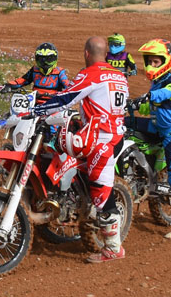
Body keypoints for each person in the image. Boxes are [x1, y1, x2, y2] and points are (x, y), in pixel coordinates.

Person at [31, 37, 130, 263]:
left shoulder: (90, 74)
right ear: (105, 53)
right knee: (67, 162)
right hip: (106, 134)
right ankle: (73, 205)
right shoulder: (119, 75)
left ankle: (114, 248)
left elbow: (66, 98)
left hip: (102, 139)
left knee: (101, 191)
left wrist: (35, 109)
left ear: (86, 53)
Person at [132, 39, 171, 239]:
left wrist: (150, 96)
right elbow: (146, 107)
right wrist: (132, 104)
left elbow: (167, 94)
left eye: (156, 62)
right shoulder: (155, 83)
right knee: (124, 124)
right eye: (149, 61)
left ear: (166, 61)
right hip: (156, 126)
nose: (152, 65)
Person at [0, 42, 70, 104]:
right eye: (41, 59)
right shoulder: (35, 70)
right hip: (34, 103)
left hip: (53, 104)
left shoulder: (60, 72)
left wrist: (66, 94)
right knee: (13, 116)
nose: (45, 63)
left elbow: (68, 86)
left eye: (49, 59)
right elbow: (23, 80)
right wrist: (7, 85)